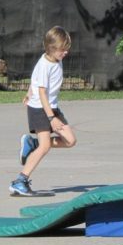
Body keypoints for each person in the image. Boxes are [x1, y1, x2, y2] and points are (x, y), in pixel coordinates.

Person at [10, 26, 77, 196]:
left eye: (66, 49)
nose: (66, 53)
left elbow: (34, 80)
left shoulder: (55, 59)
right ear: (52, 48)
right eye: (63, 49)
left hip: (51, 106)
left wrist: (28, 92)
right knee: (45, 146)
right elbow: (41, 92)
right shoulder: (44, 65)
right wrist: (52, 118)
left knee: (70, 140)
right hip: (40, 109)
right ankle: (20, 181)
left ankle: (33, 144)